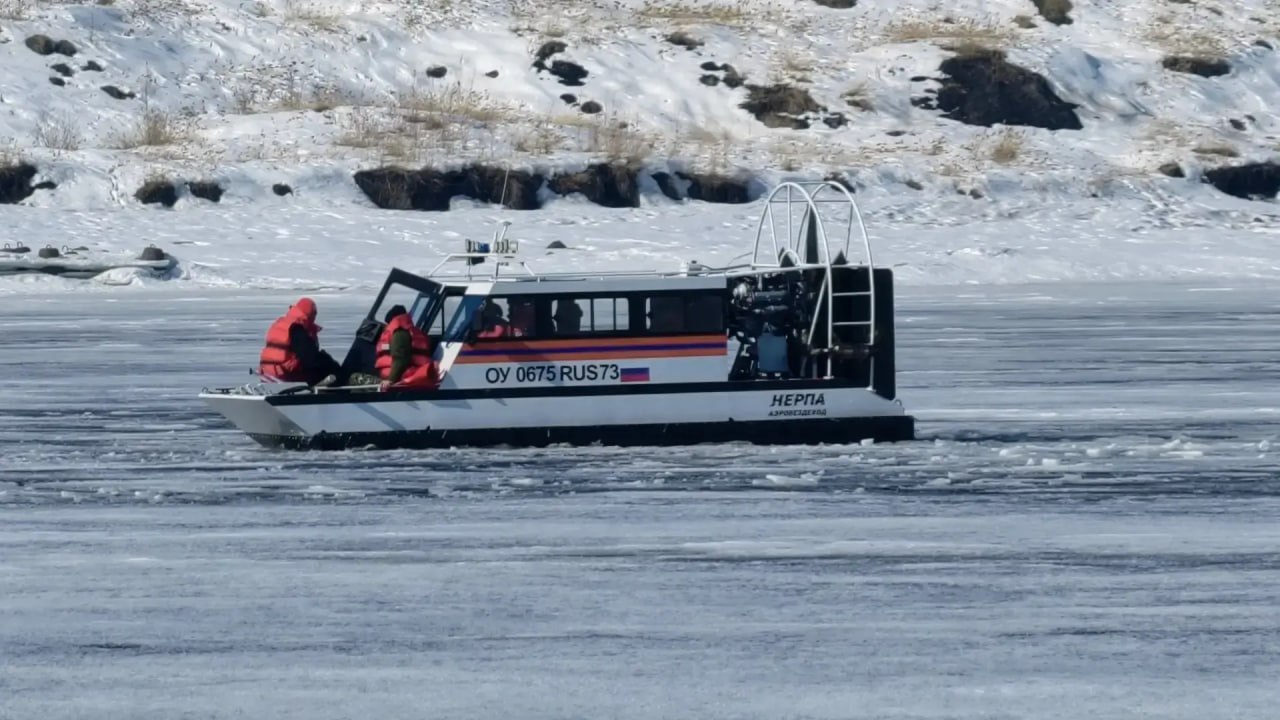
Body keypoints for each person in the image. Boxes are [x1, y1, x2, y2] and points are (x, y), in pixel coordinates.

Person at [259, 297, 343, 386]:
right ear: (310, 314)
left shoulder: (281, 323)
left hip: (268, 372)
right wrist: (333, 367)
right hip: (286, 374)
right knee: (323, 366)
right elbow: (310, 358)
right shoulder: (297, 329)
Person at [375, 305, 440, 391]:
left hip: (401, 379)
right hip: (408, 375)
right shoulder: (408, 330)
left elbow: (401, 359)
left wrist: (390, 380)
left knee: (355, 378)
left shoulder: (399, 333)